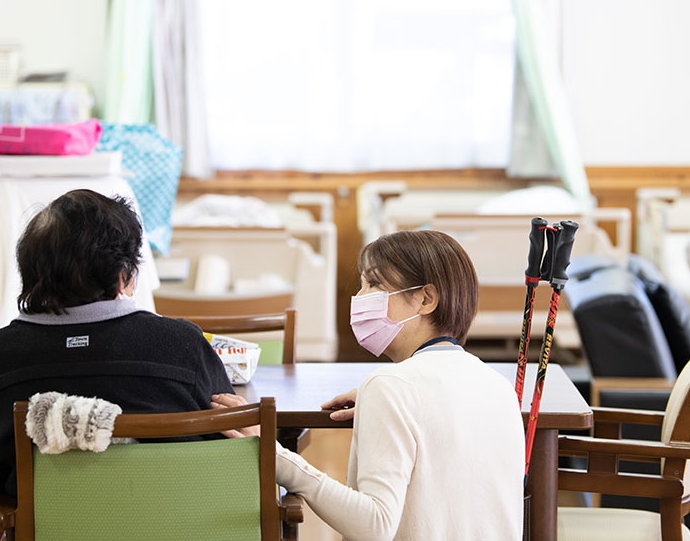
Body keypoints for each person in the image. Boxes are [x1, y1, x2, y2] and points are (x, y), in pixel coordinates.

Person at [214, 229, 525, 541]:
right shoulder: (499, 387)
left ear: (426, 299)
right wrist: (382, 405)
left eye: (374, 284)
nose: (360, 298)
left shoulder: (391, 387)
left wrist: (277, 458)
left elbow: (373, 526)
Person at [0, 189, 233, 498]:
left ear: (29, 273)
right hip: (175, 519)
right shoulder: (182, 347)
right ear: (124, 275)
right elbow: (227, 444)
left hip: (49, 524)